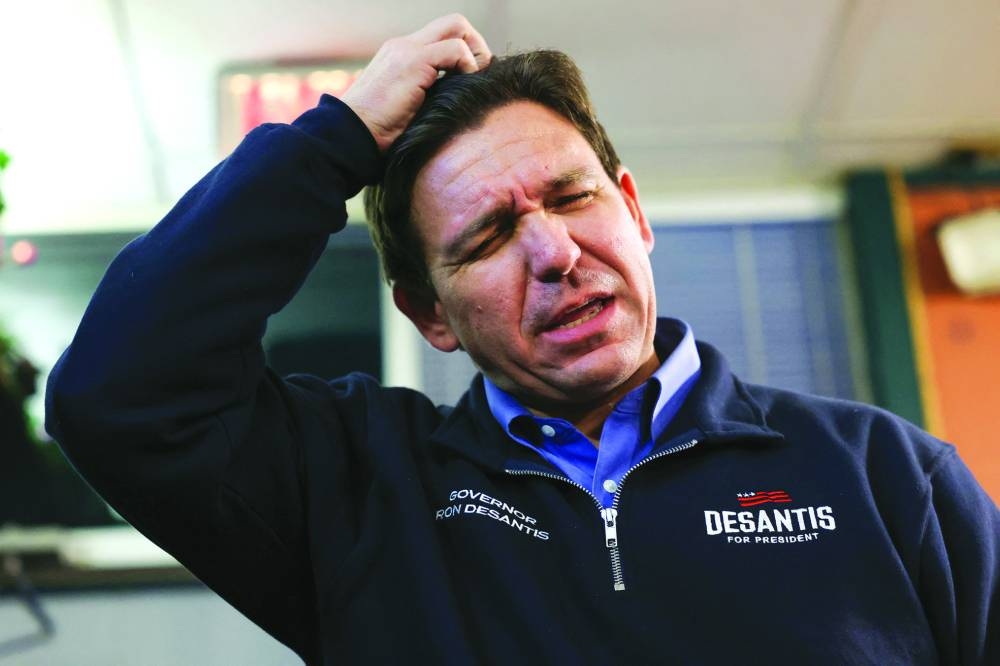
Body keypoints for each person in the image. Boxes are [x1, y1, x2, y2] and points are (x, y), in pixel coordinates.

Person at [46, 14, 998, 665]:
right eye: (488, 238)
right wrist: (331, 141)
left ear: (631, 210)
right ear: (429, 315)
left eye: (574, 197)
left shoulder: (884, 475)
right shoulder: (362, 493)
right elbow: (121, 396)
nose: (554, 251)